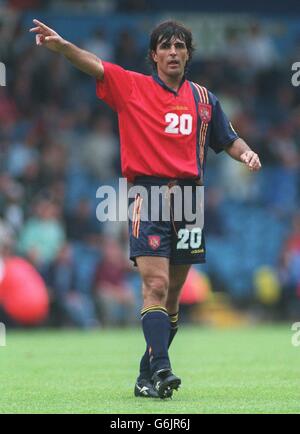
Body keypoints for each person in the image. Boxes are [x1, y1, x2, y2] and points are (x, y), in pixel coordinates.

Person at [30, 19, 262, 399]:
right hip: (148, 194)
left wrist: (247, 153)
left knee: (171, 298)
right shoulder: (132, 86)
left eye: (180, 46)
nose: (173, 52)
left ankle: (146, 375)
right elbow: (95, 64)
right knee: (154, 285)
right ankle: (163, 368)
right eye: (166, 46)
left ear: (188, 54)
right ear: (153, 54)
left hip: (189, 200)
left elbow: (228, 139)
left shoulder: (204, 99)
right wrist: (63, 46)